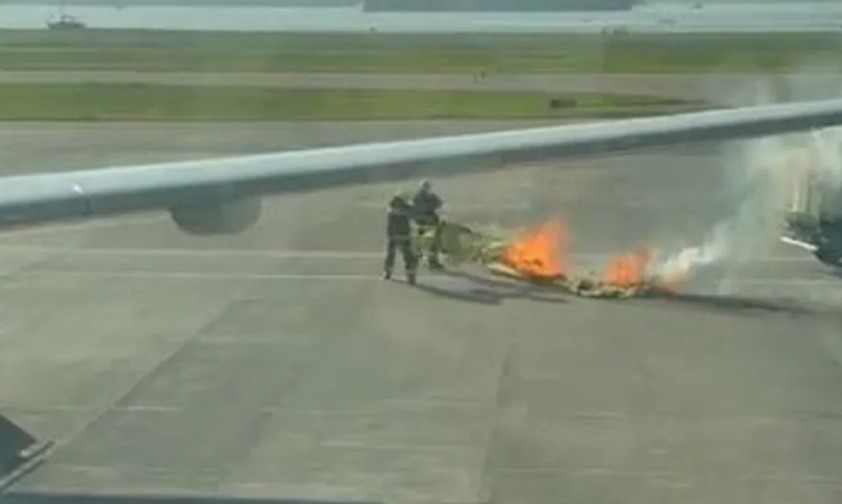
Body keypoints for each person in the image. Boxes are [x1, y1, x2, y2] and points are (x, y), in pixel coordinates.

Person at [383, 193, 417, 285]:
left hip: (394, 236)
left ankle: (388, 272)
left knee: (391, 255)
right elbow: (411, 211)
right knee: (408, 257)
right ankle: (410, 276)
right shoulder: (404, 211)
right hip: (403, 236)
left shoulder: (391, 211)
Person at [411, 179, 444, 269]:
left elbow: (439, 203)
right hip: (425, 222)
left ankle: (426, 260)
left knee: (427, 243)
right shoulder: (420, 197)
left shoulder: (418, 197)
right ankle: (428, 260)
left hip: (424, 222)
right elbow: (438, 203)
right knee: (427, 242)